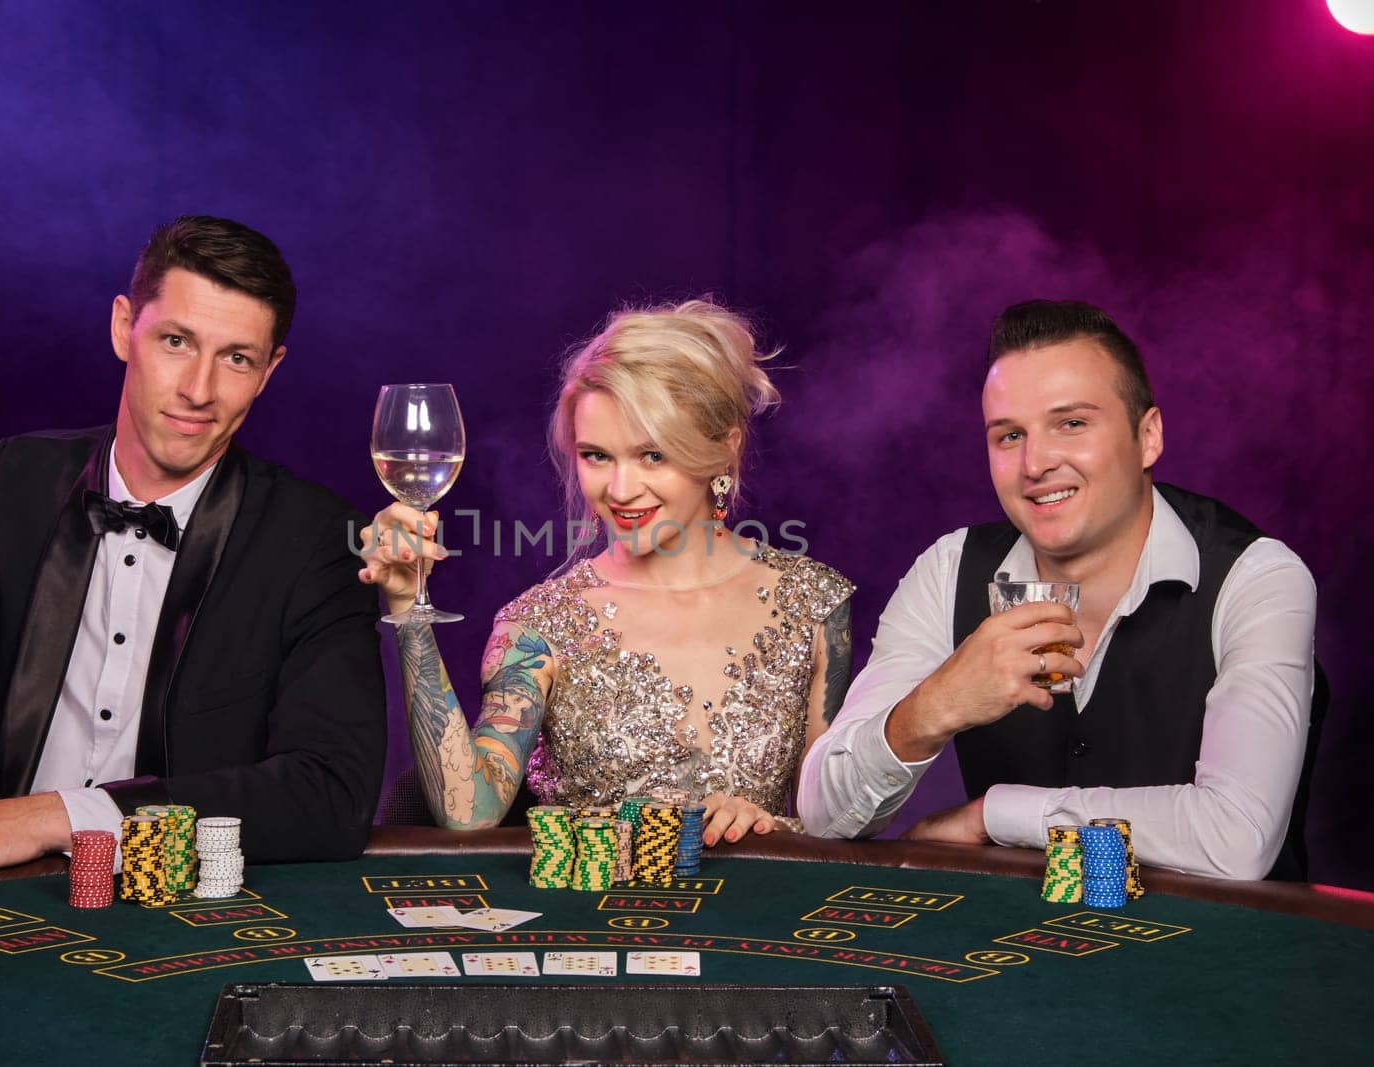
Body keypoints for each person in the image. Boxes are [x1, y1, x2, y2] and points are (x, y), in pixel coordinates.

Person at [0, 215, 386, 871]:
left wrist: (59, 816)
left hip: (195, 912)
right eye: (176, 341)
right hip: (2, 904)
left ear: (269, 370)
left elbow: (331, 798)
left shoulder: (317, 540)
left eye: (237, 358)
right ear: (122, 328)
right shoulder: (11, 482)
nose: (200, 390)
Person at [798, 299, 1320, 880]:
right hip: (1014, 955)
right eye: (1009, 435)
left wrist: (995, 815)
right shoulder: (950, 571)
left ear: (1147, 437)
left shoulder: (1257, 578)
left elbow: (1236, 838)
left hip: (1225, 957)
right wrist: (930, 709)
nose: (1035, 463)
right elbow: (824, 817)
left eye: (1071, 423)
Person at [358, 300, 856, 844]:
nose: (619, 491)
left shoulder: (811, 602)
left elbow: (836, 822)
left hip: (754, 919)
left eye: (652, 456)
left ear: (722, 449)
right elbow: (467, 811)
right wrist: (409, 609)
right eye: (596, 455)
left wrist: (769, 825)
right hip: (591, 921)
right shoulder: (542, 623)